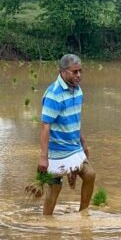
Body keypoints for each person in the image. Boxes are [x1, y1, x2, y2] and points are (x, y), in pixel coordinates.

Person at [38, 54, 95, 216]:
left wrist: (83, 143)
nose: (79, 75)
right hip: (57, 150)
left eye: (80, 71)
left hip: (74, 147)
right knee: (55, 188)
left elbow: (74, 120)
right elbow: (45, 126)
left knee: (90, 175)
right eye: (74, 72)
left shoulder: (78, 91)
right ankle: (46, 222)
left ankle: (83, 214)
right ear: (62, 71)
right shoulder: (54, 95)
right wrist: (43, 157)